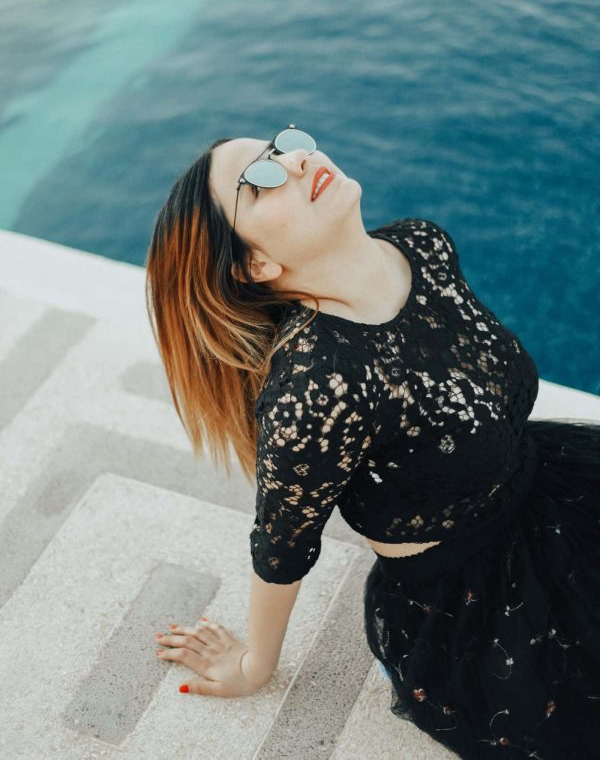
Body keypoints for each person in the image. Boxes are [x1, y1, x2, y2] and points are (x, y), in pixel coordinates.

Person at [145, 126, 600, 758]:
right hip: (477, 593)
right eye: (262, 178)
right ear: (255, 265)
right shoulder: (317, 385)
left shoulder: (422, 244)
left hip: (552, 490)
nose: (297, 159)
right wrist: (255, 665)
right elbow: (281, 546)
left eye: (282, 145)